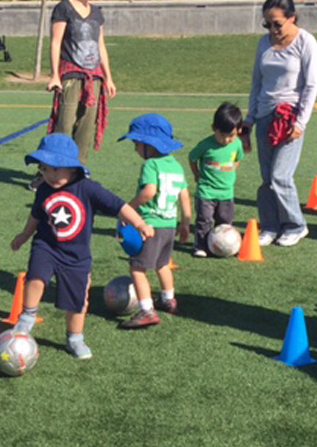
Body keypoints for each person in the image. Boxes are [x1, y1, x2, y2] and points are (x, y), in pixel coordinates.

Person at [10, 133, 152, 358]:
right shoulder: (44, 190)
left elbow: (118, 206)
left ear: (73, 168)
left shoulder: (88, 188)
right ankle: (26, 318)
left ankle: (74, 338)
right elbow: (35, 216)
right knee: (35, 277)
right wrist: (24, 235)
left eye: (56, 169)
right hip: (46, 246)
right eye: (44, 169)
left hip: (76, 257)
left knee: (76, 302)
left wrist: (140, 223)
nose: (50, 175)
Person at [241, 0, 317, 247]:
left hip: (289, 118)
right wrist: (250, 119)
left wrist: (300, 123)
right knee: (267, 178)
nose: (272, 29)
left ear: (292, 17)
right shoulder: (264, 43)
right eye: (267, 24)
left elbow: (310, 86)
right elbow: (257, 83)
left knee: (280, 176)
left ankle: (296, 225)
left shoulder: (306, 42)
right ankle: (271, 226)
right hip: (265, 115)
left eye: (277, 23)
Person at [117, 114, 191, 329]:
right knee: (162, 264)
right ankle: (169, 299)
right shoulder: (176, 165)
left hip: (151, 225)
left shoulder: (151, 165)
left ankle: (146, 309)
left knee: (137, 268)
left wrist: (128, 208)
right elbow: (184, 195)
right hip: (169, 225)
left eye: (137, 144)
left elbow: (149, 192)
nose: (135, 149)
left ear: (149, 145)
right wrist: (185, 222)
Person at [45, 0, 117, 167]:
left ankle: (78, 169)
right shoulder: (64, 8)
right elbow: (56, 42)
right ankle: (50, 169)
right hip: (71, 75)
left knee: (85, 127)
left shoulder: (96, 12)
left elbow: (101, 45)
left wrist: (108, 78)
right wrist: (55, 75)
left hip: (94, 77)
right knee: (64, 124)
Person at [188, 103, 245, 258]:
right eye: (222, 135)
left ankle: (225, 246)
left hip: (226, 192)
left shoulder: (237, 144)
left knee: (225, 222)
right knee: (204, 220)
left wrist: (231, 170)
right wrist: (196, 174)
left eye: (231, 135)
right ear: (214, 128)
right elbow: (192, 158)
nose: (226, 140)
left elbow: (238, 159)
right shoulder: (205, 145)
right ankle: (200, 246)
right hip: (206, 191)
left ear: (238, 131)